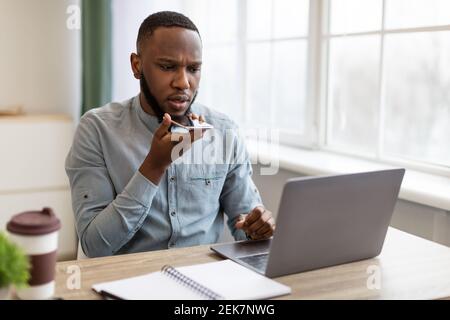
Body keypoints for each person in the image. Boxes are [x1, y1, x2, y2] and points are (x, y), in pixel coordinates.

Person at [65, 11, 275, 258]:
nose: (183, 82)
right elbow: (94, 245)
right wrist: (154, 166)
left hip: (202, 283)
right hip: (124, 283)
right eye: (167, 67)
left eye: (194, 68)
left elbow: (245, 227)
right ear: (137, 65)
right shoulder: (96, 130)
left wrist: (257, 230)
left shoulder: (224, 132)